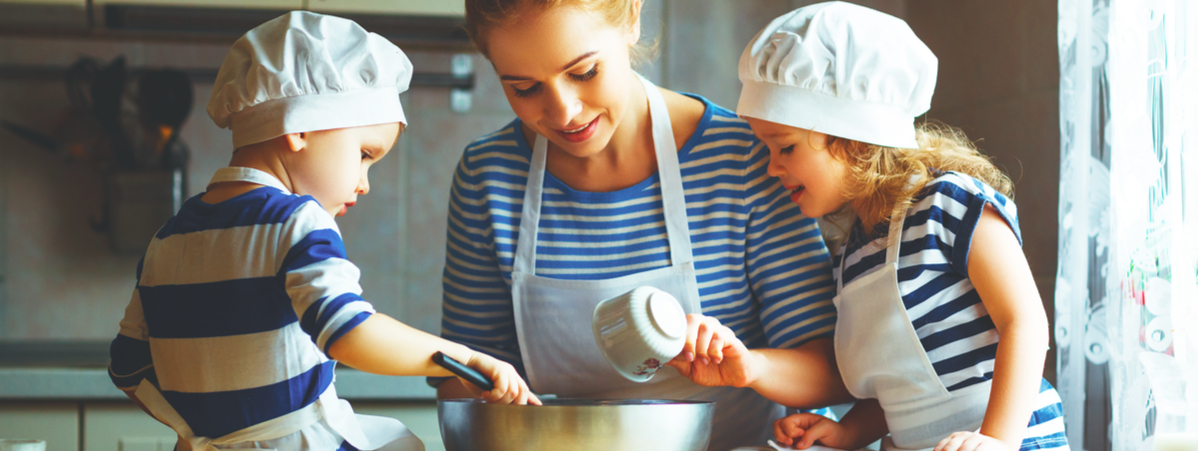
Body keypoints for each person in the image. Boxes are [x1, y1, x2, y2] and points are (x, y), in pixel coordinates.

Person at [106, 11, 538, 451]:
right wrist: (461, 358)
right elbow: (348, 331)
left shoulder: (167, 238)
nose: (365, 182)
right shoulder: (298, 222)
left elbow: (127, 367)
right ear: (300, 128)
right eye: (365, 153)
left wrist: (211, 430)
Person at [433, 0, 852, 448]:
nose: (564, 112)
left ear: (632, 18)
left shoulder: (746, 159)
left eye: (584, 73)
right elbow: (463, 377)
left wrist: (750, 366)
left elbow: (833, 369)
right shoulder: (488, 175)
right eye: (524, 88)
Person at [734, 3, 1070, 451]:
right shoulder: (854, 251)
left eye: (786, 148)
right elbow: (905, 384)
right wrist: (848, 431)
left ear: (852, 137)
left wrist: (996, 440)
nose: (772, 168)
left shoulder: (949, 203)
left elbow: (1024, 321)